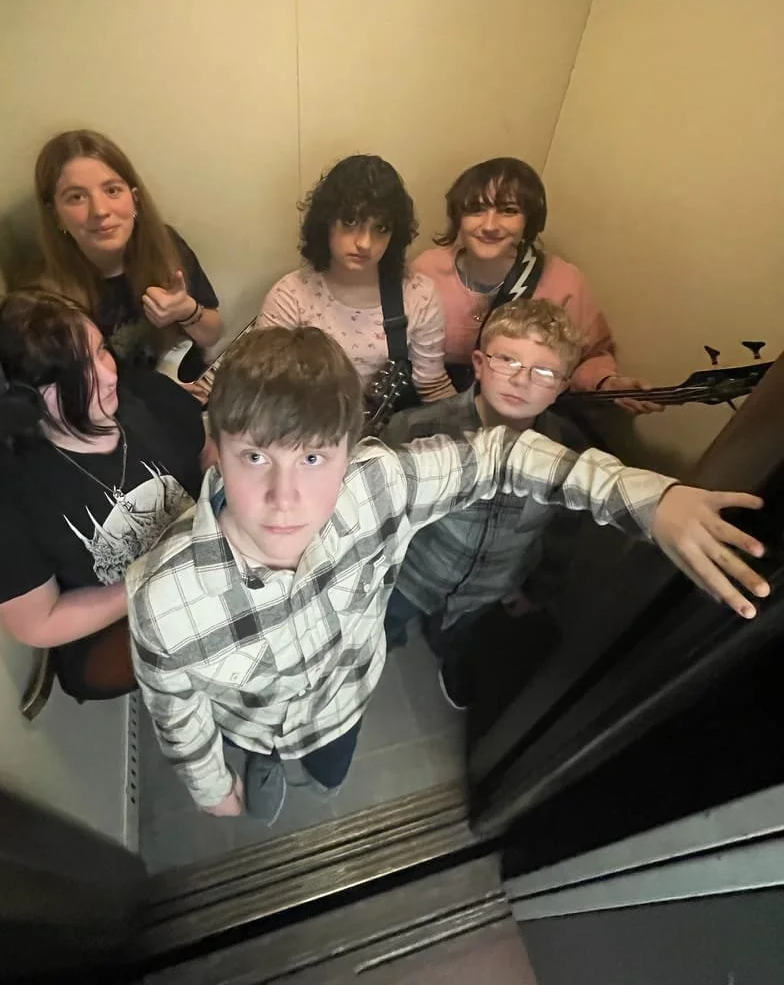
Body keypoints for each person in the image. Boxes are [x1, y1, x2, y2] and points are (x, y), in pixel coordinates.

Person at [126, 326, 768, 825]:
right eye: (255, 455)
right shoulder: (165, 602)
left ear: (351, 451)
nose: (284, 497)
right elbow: (178, 717)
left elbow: (499, 453)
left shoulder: (375, 485)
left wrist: (648, 500)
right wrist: (212, 790)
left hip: (345, 702)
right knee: (258, 764)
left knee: (328, 776)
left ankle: (311, 773)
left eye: (315, 457)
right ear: (215, 443)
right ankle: (265, 767)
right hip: (251, 724)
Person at [0, 288, 205, 701]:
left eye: (101, 350)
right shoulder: (2, 493)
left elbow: (207, 453)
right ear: (21, 403)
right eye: (79, 373)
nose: (110, 375)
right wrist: (153, 580)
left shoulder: (143, 395)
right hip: (116, 624)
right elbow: (36, 623)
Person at [381, 299, 592, 704]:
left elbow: (565, 529)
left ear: (562, 386)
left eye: (543, 371)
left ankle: (450, 656)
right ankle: (372, 659)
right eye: (507, 360)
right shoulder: (416, 428)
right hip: (413, 575)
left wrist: (539, 588)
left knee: (458, 634)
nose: (521, 380)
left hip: (490, 586)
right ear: (478, 363)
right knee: (383, 628)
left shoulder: (568, 450)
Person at [412, 157, 659, 413]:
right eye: (476, 209)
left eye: (508, 211)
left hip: (521, 413)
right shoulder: (426, 270)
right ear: (458, 217)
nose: (489, 225)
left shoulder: (564, 283)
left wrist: (608, 382)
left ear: (529, 219)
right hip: (437, 406)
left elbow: (588, 356)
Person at [257, 155, 455, 405]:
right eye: (350, 222)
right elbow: (263, 390)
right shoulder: (291, 295)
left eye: (381, 228)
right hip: (304, 430)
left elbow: (432, 386)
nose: (364, 243)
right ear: (326, 223)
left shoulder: (419, 295)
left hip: (388, 437)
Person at [34, 129, 223, 386]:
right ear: (55, 215)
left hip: (189, 389)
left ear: (134, 199)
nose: (100, 211)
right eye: (76, 197)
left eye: (112, 190)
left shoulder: (165, 244)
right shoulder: (44, 297)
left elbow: (212, 334)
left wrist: (186, 310)